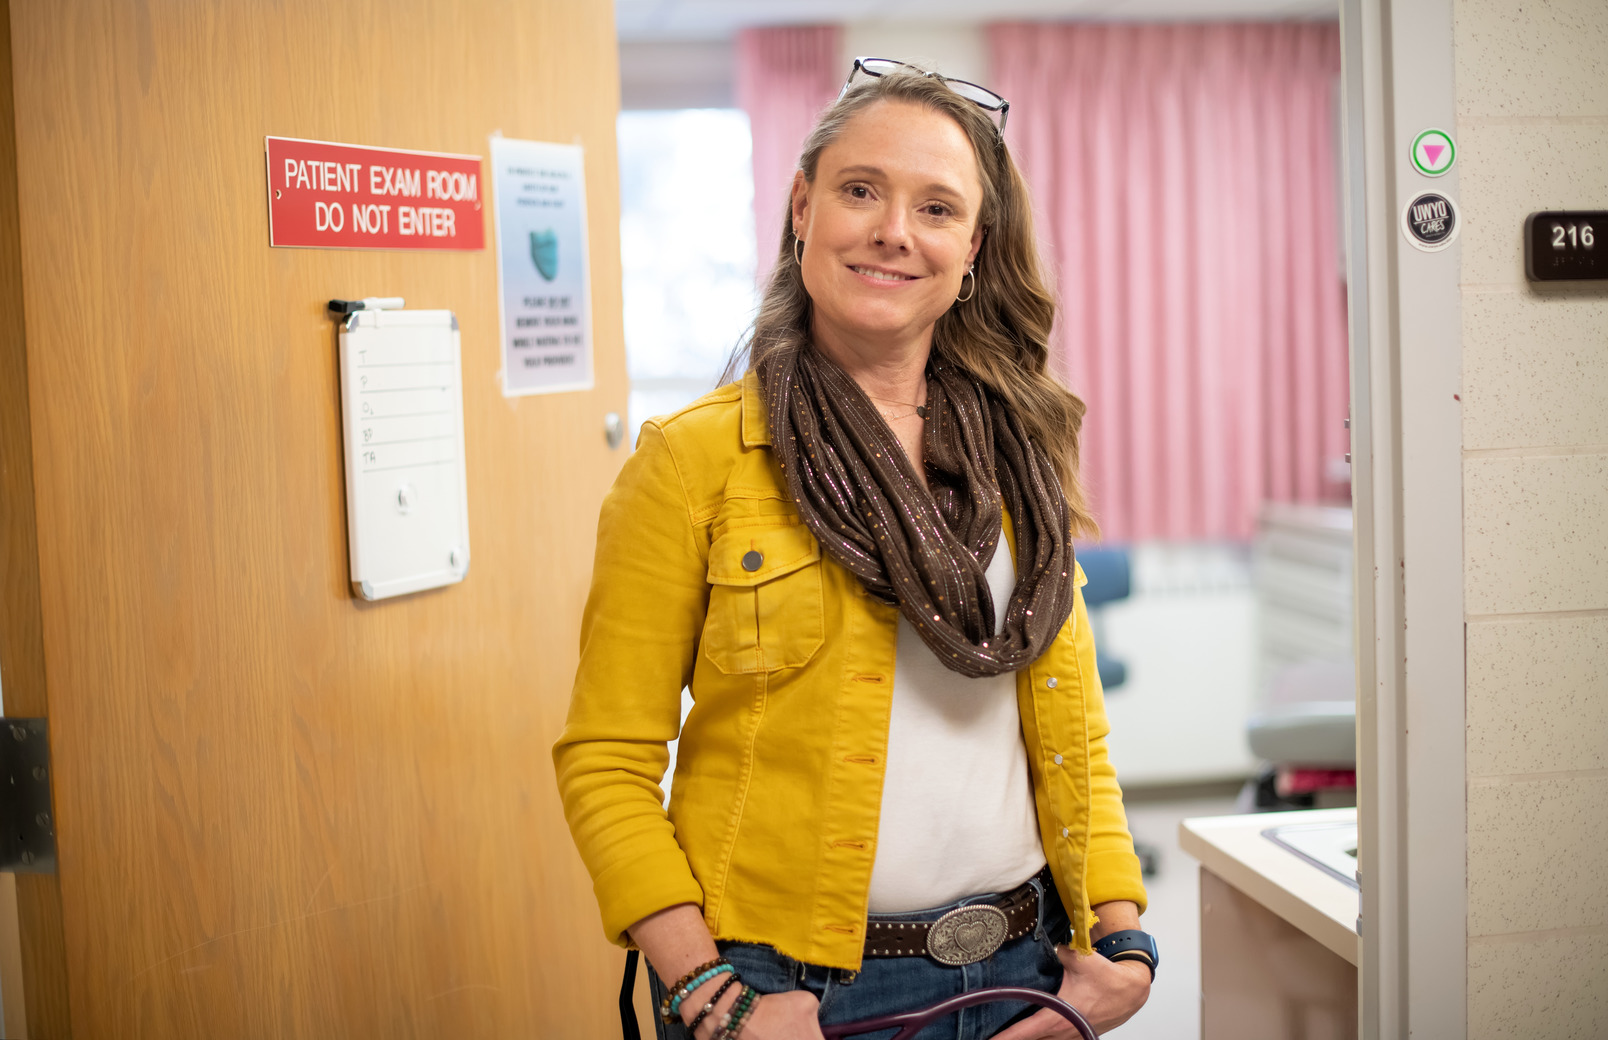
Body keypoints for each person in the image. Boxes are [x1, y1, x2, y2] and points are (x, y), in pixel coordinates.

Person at [555, 61, 1155, 1040]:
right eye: (861, 190)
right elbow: (606, 756)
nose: (893, 232)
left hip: (1025, 966)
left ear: (972, 248)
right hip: (789, 990)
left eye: (936, 207)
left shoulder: (1021, 453)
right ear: (803, 207)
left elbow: (1071, 730)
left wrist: (1121, 945)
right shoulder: (693, 459)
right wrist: (709, 988)